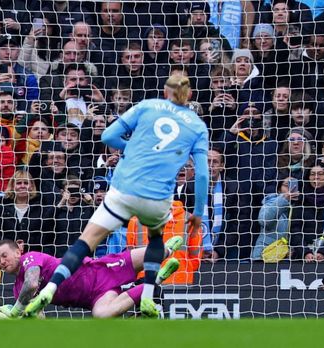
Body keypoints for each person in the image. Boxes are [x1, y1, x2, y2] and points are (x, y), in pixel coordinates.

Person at [25, 74, 209, 318]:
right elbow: (204, 175)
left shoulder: (147, 106)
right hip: (157, 197)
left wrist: (131, 148)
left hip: (124, 188)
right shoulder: (197, 125)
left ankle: (50, 288)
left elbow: (107, 137)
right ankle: (147, 296)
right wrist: (196, 213)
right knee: (155, 241)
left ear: (166, 91)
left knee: (86, 241)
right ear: (190, 94)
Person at [0, 237, 183, 319]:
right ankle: (154, 281)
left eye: (4, 256)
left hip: (99, 271)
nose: (1, 262)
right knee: (101, 315)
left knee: (152, 254)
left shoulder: (30, 259)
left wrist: (15, 310)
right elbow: (38, 315)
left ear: (19, 251)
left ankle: (168, 249)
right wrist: (19, 319)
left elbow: (32, 283)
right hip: (94, 297)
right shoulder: (18, 290)